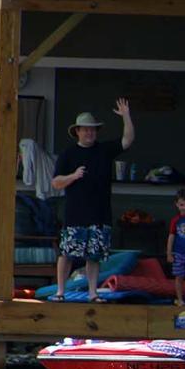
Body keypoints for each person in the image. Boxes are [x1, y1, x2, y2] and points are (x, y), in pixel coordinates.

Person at [49, 99, 135, 302]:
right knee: (67, 253)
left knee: (94, 256)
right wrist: (73, 176)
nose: (89, 133)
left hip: (99, 213)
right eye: (85, 130)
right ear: (77, 131)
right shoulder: (68, 154)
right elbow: (55, 183)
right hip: (75, 214)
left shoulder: (104, 150)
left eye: (93, 130)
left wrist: (126, 116)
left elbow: (128, 140)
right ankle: (60, 291)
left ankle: (92, 293)